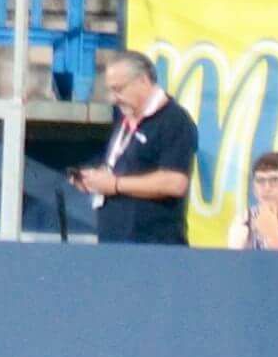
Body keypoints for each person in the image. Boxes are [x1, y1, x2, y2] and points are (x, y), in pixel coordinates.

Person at [71, 49, 197, 244]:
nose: (114, 98)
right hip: (114, 241)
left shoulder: (174, 120)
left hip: (153, 244)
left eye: (119, 89)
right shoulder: (125, 119)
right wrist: (95, 179)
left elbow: (175, 182)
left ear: (143, 81)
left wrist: (115, 185)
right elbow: (124, 167)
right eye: (110, 90)